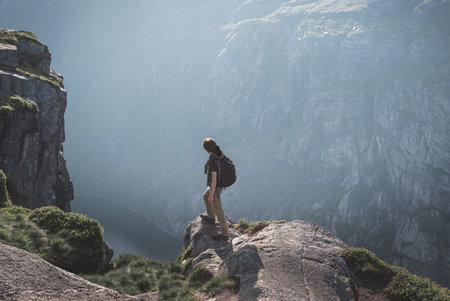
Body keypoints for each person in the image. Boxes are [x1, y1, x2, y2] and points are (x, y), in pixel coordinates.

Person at [202, 137, 230, 241]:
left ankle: (225, 234)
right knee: (205, 197)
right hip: (218, 185)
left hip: (216, 187)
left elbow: (213, 181)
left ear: (207, 149)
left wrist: (211, 195)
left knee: (219, 210)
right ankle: (211, 217)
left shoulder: (214, 162)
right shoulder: (219, 154)